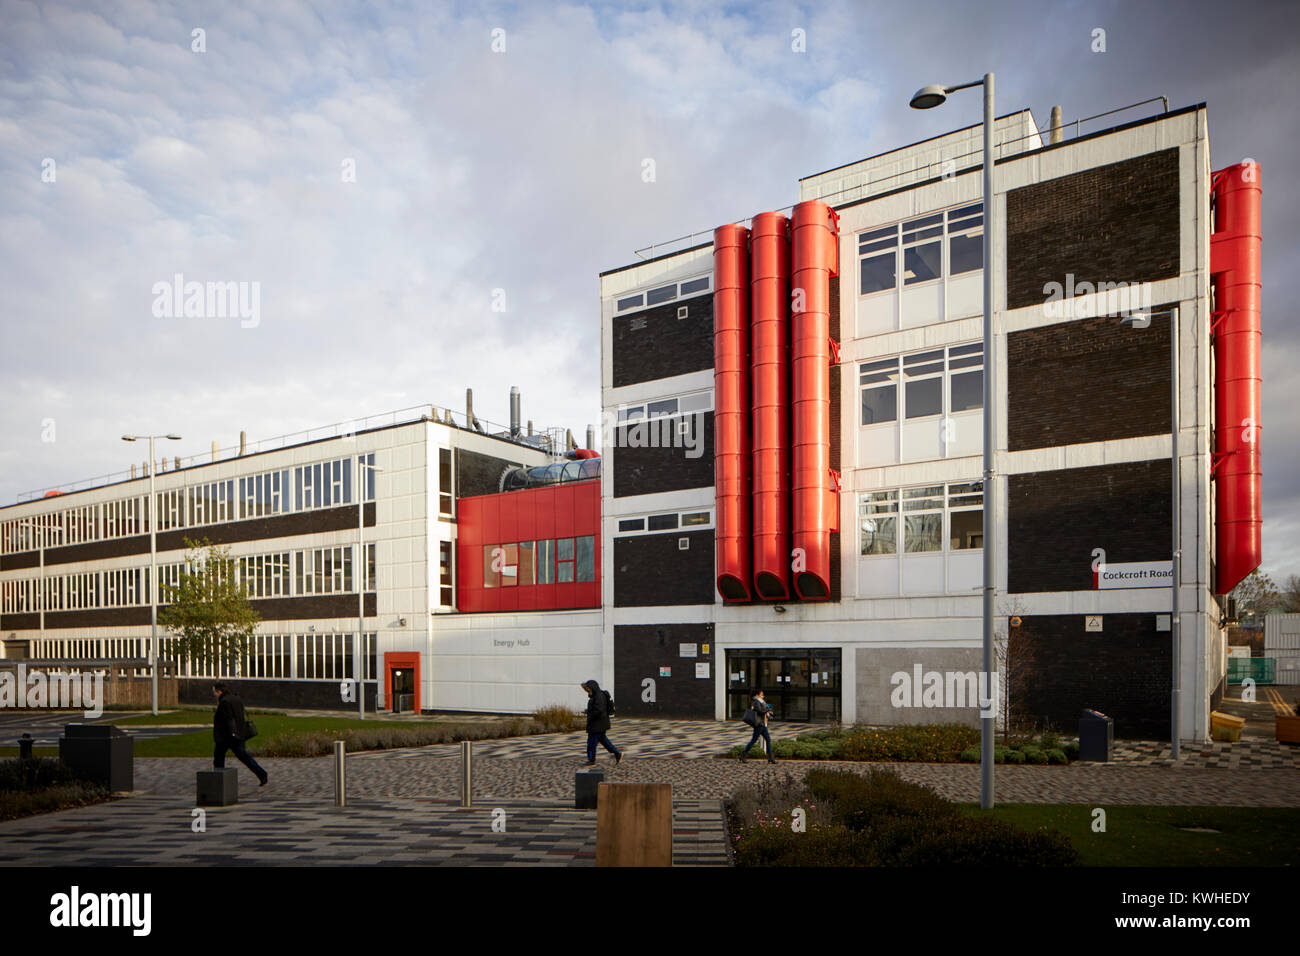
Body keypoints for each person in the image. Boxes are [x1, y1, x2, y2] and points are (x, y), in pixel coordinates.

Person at [213, 682, 268, 786]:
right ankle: (261, 773)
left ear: (219, 691)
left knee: (219, 757)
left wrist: (227, 734)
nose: (214, 694)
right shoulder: (235, 698)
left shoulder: (224, 702)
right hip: (239, 733)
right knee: (244, 756)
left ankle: (218, 779)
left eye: (214, 692)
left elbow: (227, 720)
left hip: (228, 736)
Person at [580, 680, 622, 767]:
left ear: (593, 688)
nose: (587, 691)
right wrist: (588, 711)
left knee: (591, 743)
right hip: (601, 724)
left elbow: (599, 710)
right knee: (604, 741)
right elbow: (598, 709)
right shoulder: (598, 695)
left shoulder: (598, 697)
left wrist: (590, 715)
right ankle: (617, 754)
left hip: (596, 725)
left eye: (588, 689)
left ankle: (591, 760)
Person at [739, 688, 776, 763]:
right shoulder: (756, 702)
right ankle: (743, 755)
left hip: (762, 724)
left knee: (768, 740)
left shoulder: (762, 702)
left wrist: (769, 712)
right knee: (754, 740)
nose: (763, 696)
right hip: (759, 724)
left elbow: (764, 711)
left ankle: (771, 758)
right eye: (762, 694)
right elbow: (760, 711)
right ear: (757, 695)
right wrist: (767, 710)